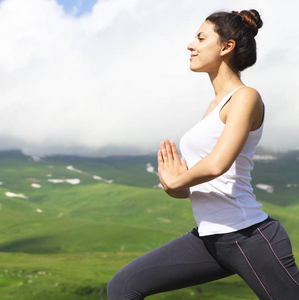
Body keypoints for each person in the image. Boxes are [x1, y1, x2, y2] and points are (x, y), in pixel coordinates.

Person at [107, 9, 299, 300]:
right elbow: (205, 185)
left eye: (200, 37)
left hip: (249, 236)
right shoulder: (212, 106)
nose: (190, 45)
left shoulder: (245, 97)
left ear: (226, 47)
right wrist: (176, 186)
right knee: (123, 286)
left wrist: (180, 179)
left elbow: (218, 164)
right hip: (209, 239)